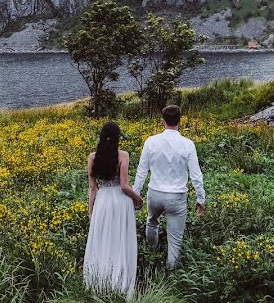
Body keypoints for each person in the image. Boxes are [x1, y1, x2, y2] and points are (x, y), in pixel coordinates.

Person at [133, 105, 206, 270]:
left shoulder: (151, 141)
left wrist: (136, 194)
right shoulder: (187, 144)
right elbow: (196, 175)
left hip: (155, 193)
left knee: (152, 222)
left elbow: (142, 171)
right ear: (180, 121)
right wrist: (201, 199)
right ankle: (171, 273)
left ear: (163, 121)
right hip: (177, 197)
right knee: (175, 239)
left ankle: (151, 256)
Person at [83, 121, 144, 296]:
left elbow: (93, 188)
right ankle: (121, 283)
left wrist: (91, 211)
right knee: (120, 240)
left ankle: (99, 283)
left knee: (102, 240)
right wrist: (138, 198)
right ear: (118, 138)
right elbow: (124, 186)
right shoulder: (123, 155)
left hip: (102, 202)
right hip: (120, 202)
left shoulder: (93, 157)